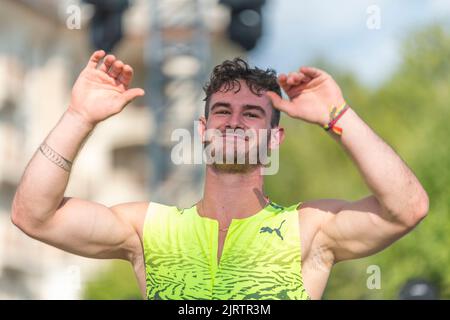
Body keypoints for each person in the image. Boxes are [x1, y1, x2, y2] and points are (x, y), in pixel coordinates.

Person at [11, 50, 429, 300]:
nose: (234, 122)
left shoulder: (308, 230)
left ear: (275, 138)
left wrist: (338, 117)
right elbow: (34, 215)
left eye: (251, 114)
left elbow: (406, 209)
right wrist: (79, 116)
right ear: (203, 129)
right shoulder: (148, 228)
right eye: (222, 112)